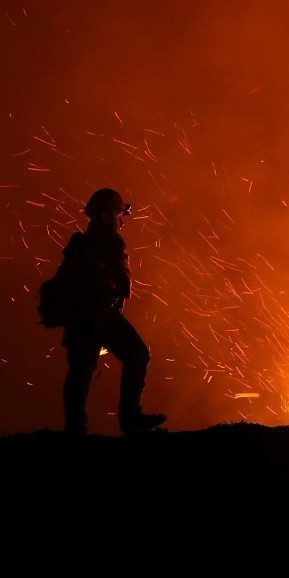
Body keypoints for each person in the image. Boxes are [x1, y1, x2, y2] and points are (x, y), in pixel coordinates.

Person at [58, 187, 166, 437]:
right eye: (119, 213)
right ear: (106, 214)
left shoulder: (80, 242)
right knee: (137, 355)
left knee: (81, 371)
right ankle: (130, 419)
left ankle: (75, 430)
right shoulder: (107, 241)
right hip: (99, 314)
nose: (122, 219)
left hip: (80, 316)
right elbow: (116, 281)